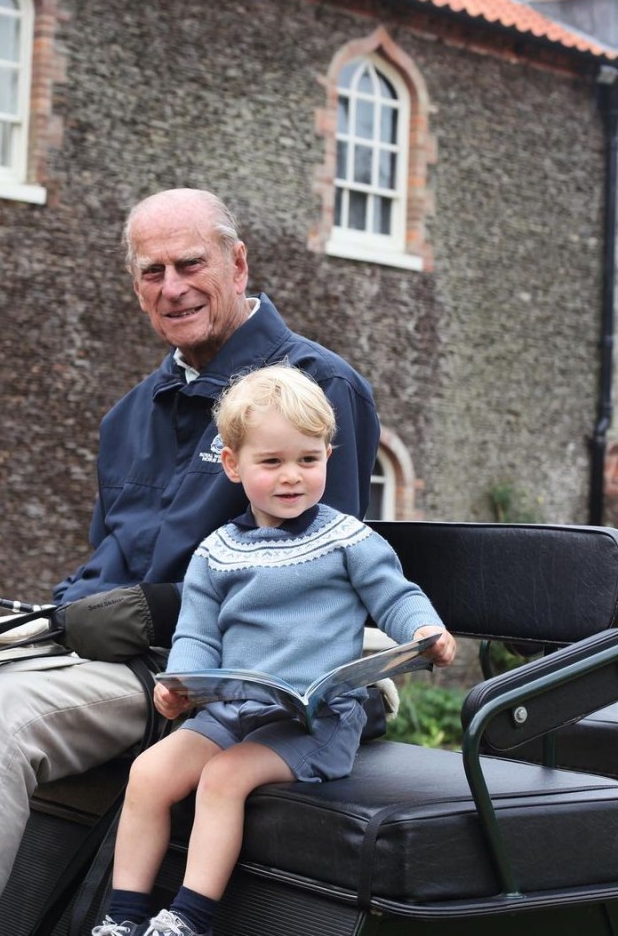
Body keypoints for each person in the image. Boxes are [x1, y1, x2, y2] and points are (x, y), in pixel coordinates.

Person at [0, 188, 381, 936]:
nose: (172, 288)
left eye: (190, 263)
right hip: (113, 655)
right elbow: (109, 562)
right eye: (151, 271)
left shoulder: (318, 389)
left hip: (217, 678)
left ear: (237, 262)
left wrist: (152, 612)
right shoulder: (130, 415)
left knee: (7, 713)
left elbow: (322, 575)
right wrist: (44, 620)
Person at [93, 366, 456, 936]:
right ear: (234, 465)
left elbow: (396, 597)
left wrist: (425, 633)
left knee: (224, 778)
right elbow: (196, 634)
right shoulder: (217, 552)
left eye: (308, 460)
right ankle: (122, 917)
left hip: (316, 723)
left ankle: (188, 919)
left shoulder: (347, 539)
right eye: (272, 462)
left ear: (328, 458)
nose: (292, 477)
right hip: (233, 712)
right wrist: (180, 684)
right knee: (148, 773)